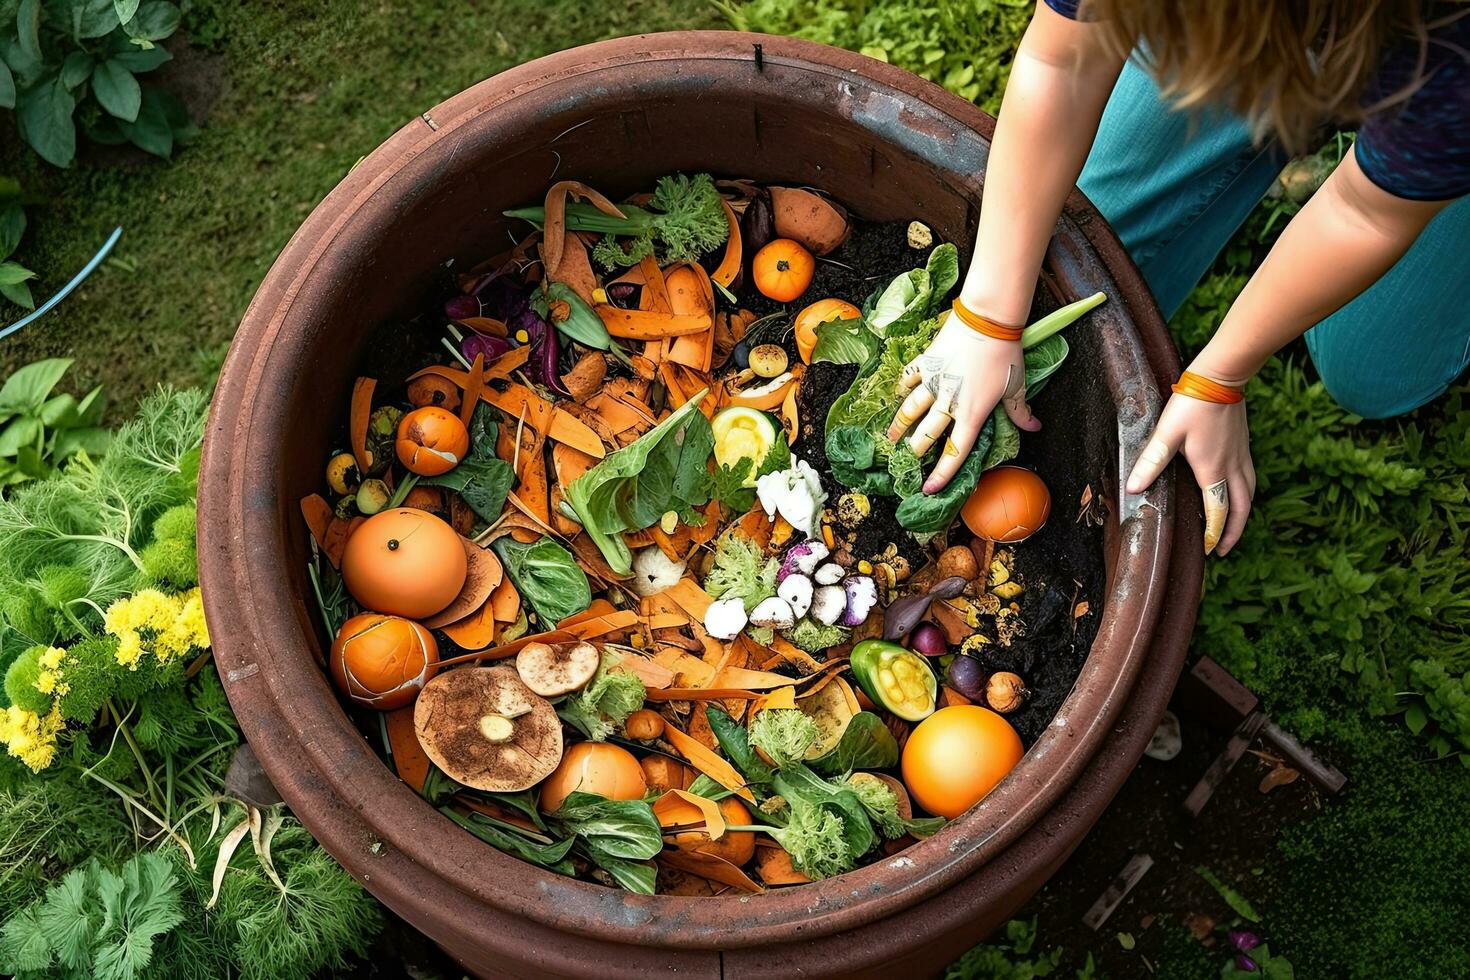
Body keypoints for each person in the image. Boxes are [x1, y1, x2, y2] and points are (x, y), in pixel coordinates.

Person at [888, 1, 1469, 555]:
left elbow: (1364, 212)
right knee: (1094, 239)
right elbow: (1063, 61)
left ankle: (1416, 157)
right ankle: (1346, 116)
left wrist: (1222, 375)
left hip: (1438, 61)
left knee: (1367, 370)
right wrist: (989, 311)